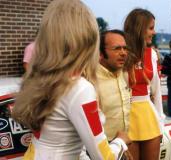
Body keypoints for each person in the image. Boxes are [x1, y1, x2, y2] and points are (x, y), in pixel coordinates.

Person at [11, 0, 131, 159]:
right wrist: (120, 142)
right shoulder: (80, 88)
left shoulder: (42, 77)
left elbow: (66, 140)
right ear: (87, 39)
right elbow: (104, 157)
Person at [124, 8, 165, 160]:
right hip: (126, 117)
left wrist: (161, 122)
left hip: (148, 115)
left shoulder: (152, 54)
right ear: (139, 28)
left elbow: (156, 91)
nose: (154, 32)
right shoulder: (122, 53)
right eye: (151, 28)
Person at [97, 29, 130, 141]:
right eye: (117, 48)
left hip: (122, 146)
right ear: (101, 53)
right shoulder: (91, 80)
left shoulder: (124, 75)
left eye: (125, 48)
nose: (123, 53)